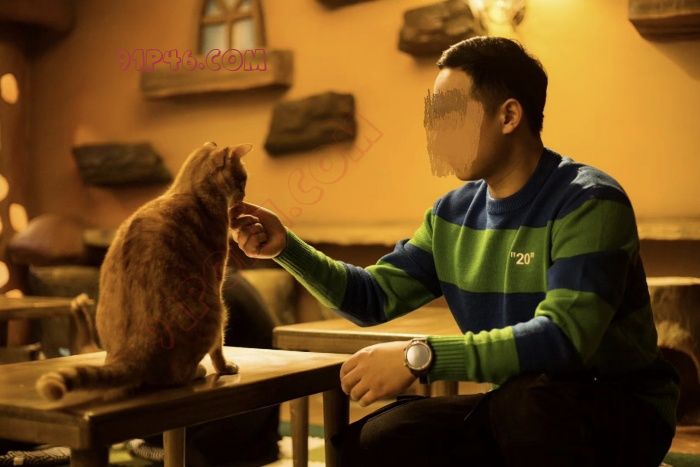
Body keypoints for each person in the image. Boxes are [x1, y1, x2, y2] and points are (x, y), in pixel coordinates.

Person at [230, 36, 679, 466]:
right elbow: (372, 298)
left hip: (618, 411)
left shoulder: (588, 201)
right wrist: (287, 248)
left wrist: (419, 357)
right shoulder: (452, 215)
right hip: (518, 406)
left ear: (509, 116)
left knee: (527, 405)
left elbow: (562, 338)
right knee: (373, 442)